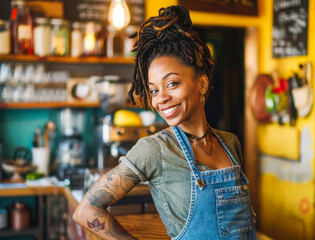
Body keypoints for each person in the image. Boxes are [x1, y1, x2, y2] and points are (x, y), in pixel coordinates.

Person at [73, 5, 256, 240]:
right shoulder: (155, 149)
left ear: (201, 84)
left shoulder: (231, 143)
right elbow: (86, 210)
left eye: (172, 84)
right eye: (153, 90)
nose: (161, 99)